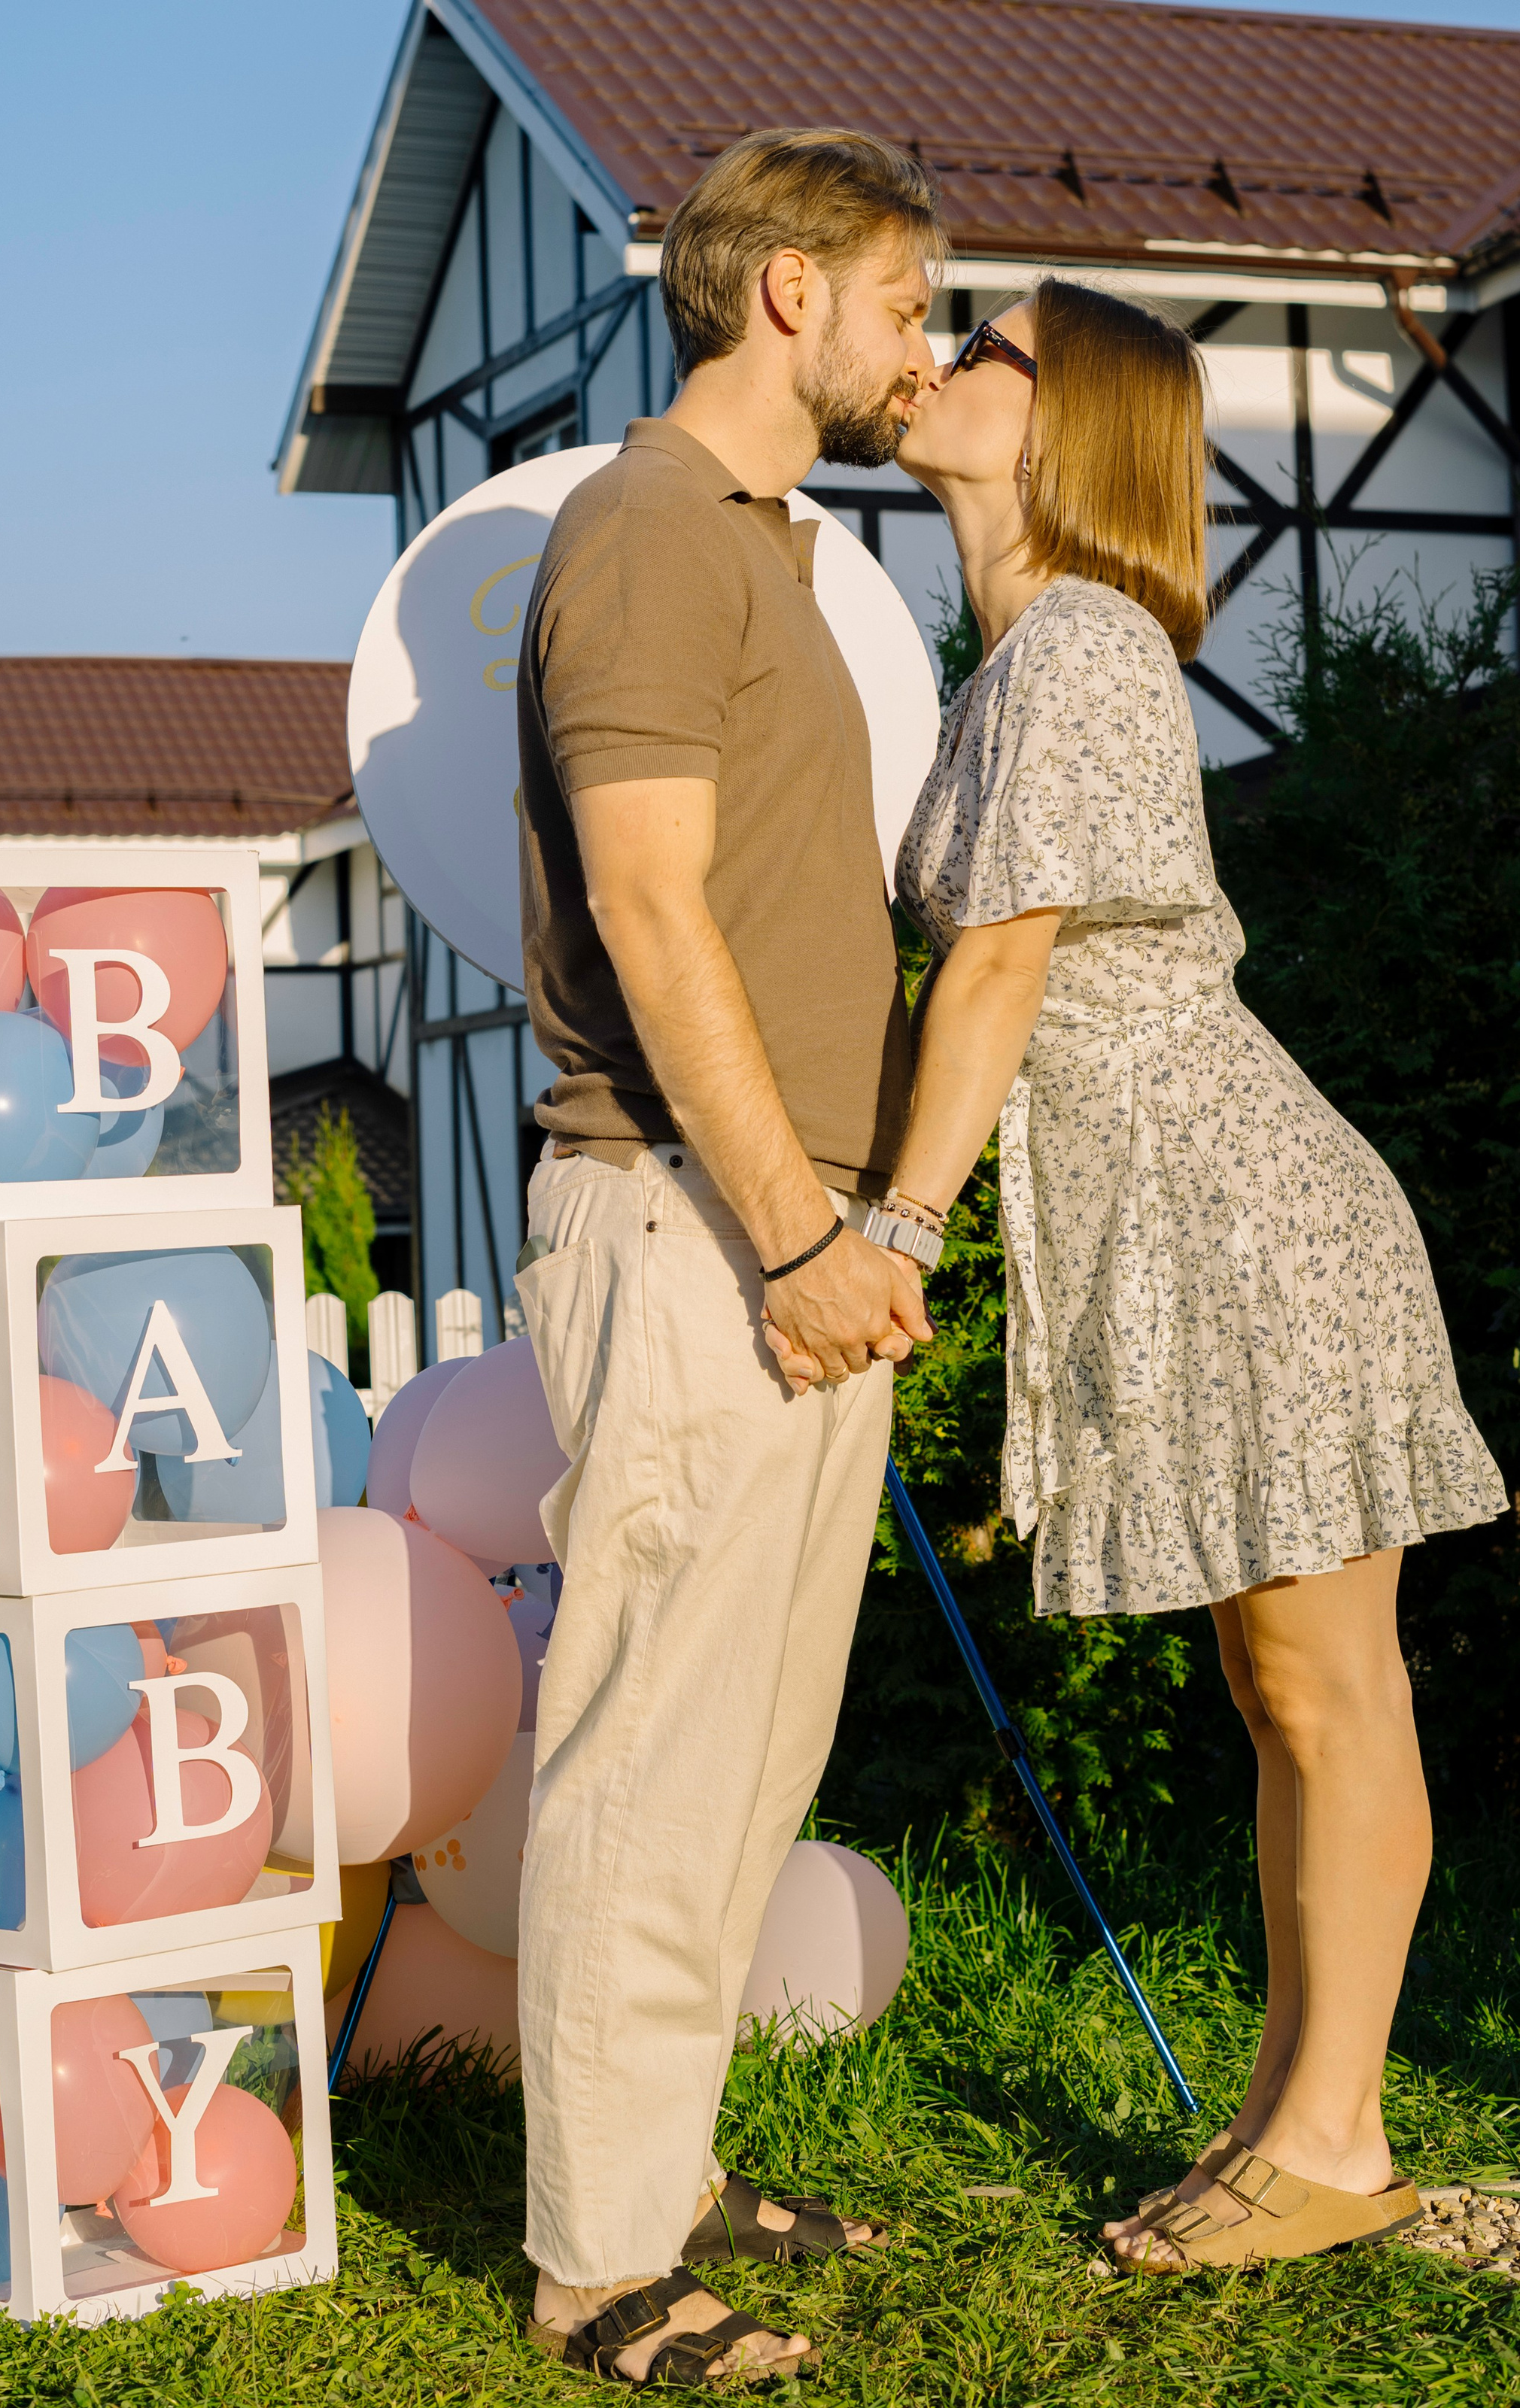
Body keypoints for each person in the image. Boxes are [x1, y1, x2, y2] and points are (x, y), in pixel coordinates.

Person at [816, 276, 1506, 2272]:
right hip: (1191, 1223)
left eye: (989, 342)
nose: (938, 350)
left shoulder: (1090, 651)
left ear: (1068, 422)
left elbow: (1003, 961)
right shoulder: (1019, 661)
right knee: (1277, 1684)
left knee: (1325, 1686)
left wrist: (900, 1222)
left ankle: (1337, 2131)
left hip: (1253, 1222)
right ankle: (1303, 2118)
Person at [509, 128, 944, 2385]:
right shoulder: (648, 532)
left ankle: (660, 2176)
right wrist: (793, 1225)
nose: (923, 343)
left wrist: (853, 1223)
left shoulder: (770, 545)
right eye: (904, 298)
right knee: (649, 1746)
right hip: (698, 1224)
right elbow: (652, 904)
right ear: (786, 290)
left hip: (792, 1233)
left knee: (746, 1757)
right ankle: (596, 2265)